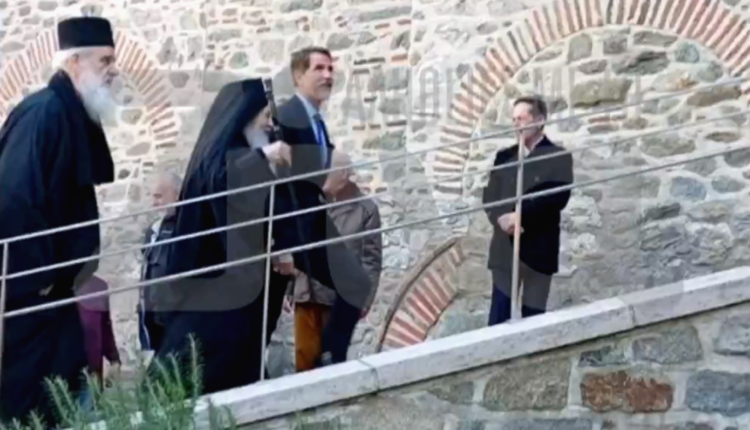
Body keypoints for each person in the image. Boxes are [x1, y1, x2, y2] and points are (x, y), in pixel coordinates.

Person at [0, 16, 117, 425]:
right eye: (105, 61)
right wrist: (41, 277)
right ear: (74, 62)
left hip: (55, 299)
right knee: (34, 405)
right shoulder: (44, 113)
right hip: (31, 299)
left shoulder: (67, 112)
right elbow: (13, 200)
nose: (113, 70)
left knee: (67, 395)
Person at [156, 78, 293, 395]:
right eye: (265, 116)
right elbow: (224, 178)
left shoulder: (240, 152)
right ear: (245, 114)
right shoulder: (220, 154)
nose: (270, 124)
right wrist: (265, 155)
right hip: (213, 282)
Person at [275, 47, 374, 366]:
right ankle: (330, 357)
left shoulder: (315, 120)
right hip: (297, 227)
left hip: (314, 221)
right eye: (319, 69)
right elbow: (279, 180)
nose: (328, 75)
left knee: (355, 284)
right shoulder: (287, 117)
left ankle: (330, 357)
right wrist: (281, 245)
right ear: (298, 75)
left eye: (331, 69)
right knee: (353, 284)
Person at [481, 96, 573, 326]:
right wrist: (501, 218)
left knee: (534, 322)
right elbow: (490, 196)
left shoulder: (558, 157)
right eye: (514, 119)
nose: (516, 124)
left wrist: (521, 216)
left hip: (538, 250)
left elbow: (556, 197)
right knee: (498, 321)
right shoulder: (504, 157)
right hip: (505, 250)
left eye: (521, 118)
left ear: (540, 120)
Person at [289, 150, 382, 372]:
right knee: (304, 357)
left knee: (331, 359)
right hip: (306, 292)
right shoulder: (312, 202)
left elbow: (371, 260)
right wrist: (290, 288)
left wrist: (364, 299)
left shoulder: (366, 210)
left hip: (338, 297)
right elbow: (295, 246)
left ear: (344, 174)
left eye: (328, 171)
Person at [137, 173, 181, 354]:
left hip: (178, 315)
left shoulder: (188, 228)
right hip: (155, 317)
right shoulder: (154, 231)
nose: (155, 203)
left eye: (159, 197)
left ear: (177, 195)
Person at [75, 275, 121, 409]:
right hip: (60, 378)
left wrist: (114, 359)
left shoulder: (98, 286)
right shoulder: (50, 290)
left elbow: (105, 327)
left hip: (91, 376)